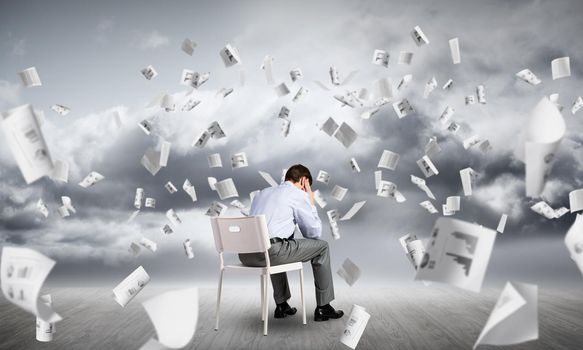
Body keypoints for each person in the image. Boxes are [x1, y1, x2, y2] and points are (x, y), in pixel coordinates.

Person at [239, 164, 344, 321]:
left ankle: (282, 305)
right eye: (307, 186)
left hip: (247, 255)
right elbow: (313, 233)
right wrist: (310, 201)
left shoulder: (262, 193)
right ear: (304, 181)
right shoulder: (297, 194)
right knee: (322, 247)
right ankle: (323, 307)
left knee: (279, 242)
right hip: (271, 252)